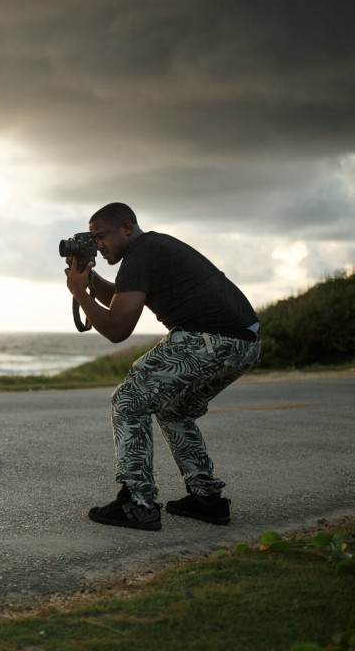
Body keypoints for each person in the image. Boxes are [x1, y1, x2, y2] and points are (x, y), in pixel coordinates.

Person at [64, 203, 261, 531]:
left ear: (126, 228)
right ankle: (206, 498)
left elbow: (117, 328)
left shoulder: (140, 254)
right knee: (174, 409)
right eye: (93, 239)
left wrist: (79, 293)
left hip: (210, 338)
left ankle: (137, 504)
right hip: (245, 342)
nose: (98, 244)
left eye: (102, 236)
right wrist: (90, 279)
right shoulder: (152, 248)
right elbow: (122, 297)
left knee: (128, 400)